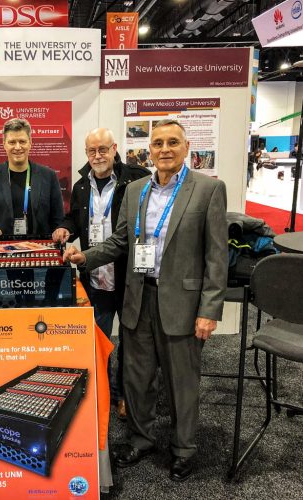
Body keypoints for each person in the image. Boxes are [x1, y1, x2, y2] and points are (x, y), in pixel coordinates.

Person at [63, 119, 228, 482]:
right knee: (137, 377)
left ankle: (184, 448)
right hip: (138, 296)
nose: (164, 149)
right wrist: (85, 257)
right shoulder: (137, 190)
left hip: (182, 304)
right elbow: (121, 241)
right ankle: (141, 438)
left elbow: (218, 255)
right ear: (148, 150)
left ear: (186, 148)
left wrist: (209, 310)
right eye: (157, 143)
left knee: (181, 380)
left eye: (172, 142)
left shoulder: (208, 190)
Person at [52, 128, 151, 420]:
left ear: (114, 148)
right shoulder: (82, 186)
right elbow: (75, 218)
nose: (98, 156)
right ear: (86, 153)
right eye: (92, 151)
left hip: (128, 276)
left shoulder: (136, 178)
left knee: (131, 344)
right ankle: (103, 391)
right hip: (95, 276)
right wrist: (65, 228)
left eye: (103, 150)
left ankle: (123, 396)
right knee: (99, 341)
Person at [0, 118, 64, 237]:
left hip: (40, 249)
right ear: (4, 144)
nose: (18, 147)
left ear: (30, 142)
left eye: (22, 141)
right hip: (1, 250)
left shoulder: (48, 176)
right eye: (12, 142)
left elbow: (58, 219)